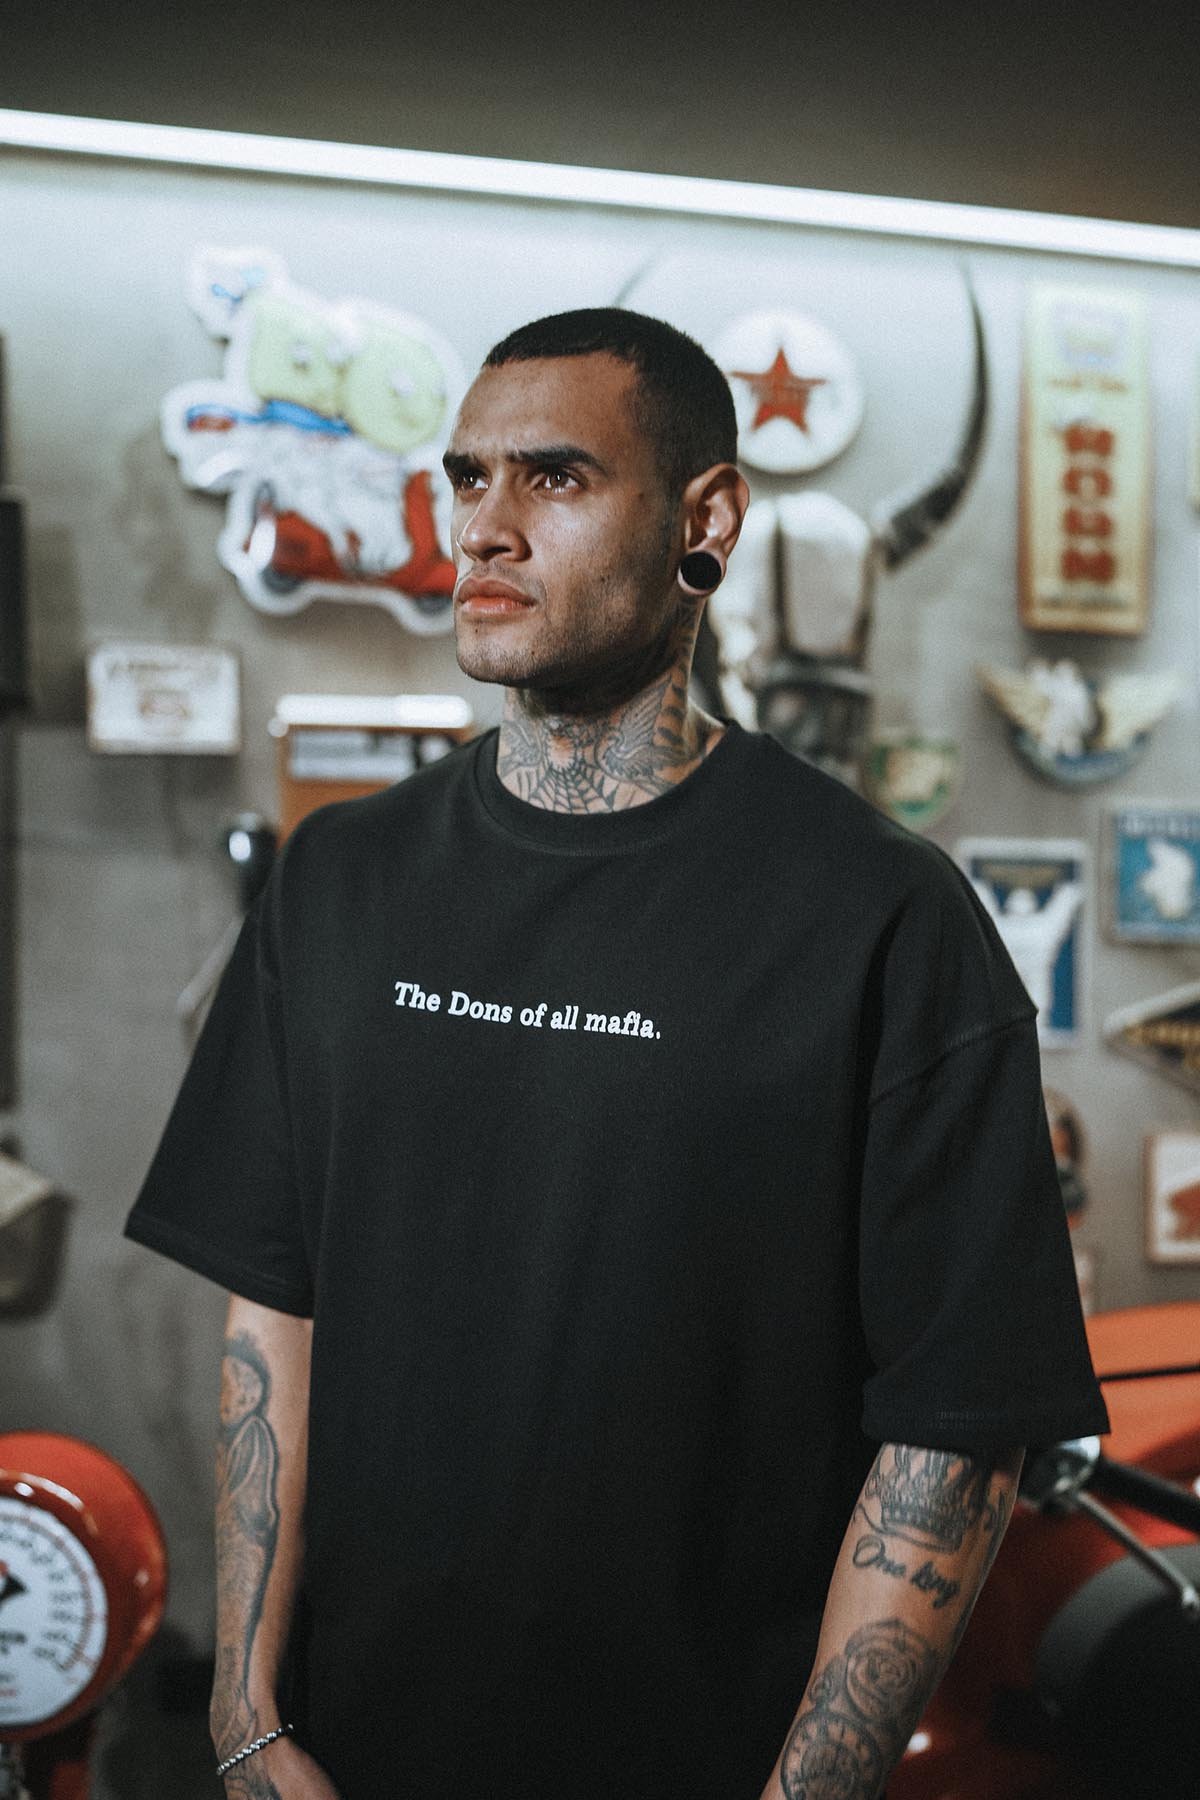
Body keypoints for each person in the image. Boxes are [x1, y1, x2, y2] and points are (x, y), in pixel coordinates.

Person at [126, 308, 1108, 1800]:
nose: (485, 527)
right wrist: (246, 1715)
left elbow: (954, 1431)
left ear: (705, 521)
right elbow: (276, 1311)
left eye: (557, 478)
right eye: (468, 478)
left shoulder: (880, 917)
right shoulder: (341, 881)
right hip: (345, 1755)